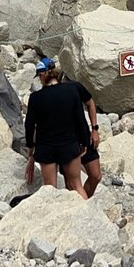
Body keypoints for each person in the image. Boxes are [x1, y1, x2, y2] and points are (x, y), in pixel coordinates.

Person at [23, 57, 90, 199]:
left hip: (46, 148)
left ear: (42, 75)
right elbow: (80, 119)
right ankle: (87, 216)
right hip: (69, 144)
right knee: (76, 185)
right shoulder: (71, 91)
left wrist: (31, 152)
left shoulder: (36, 98)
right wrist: (84, 141)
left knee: (50, 189)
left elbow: (29, 126)